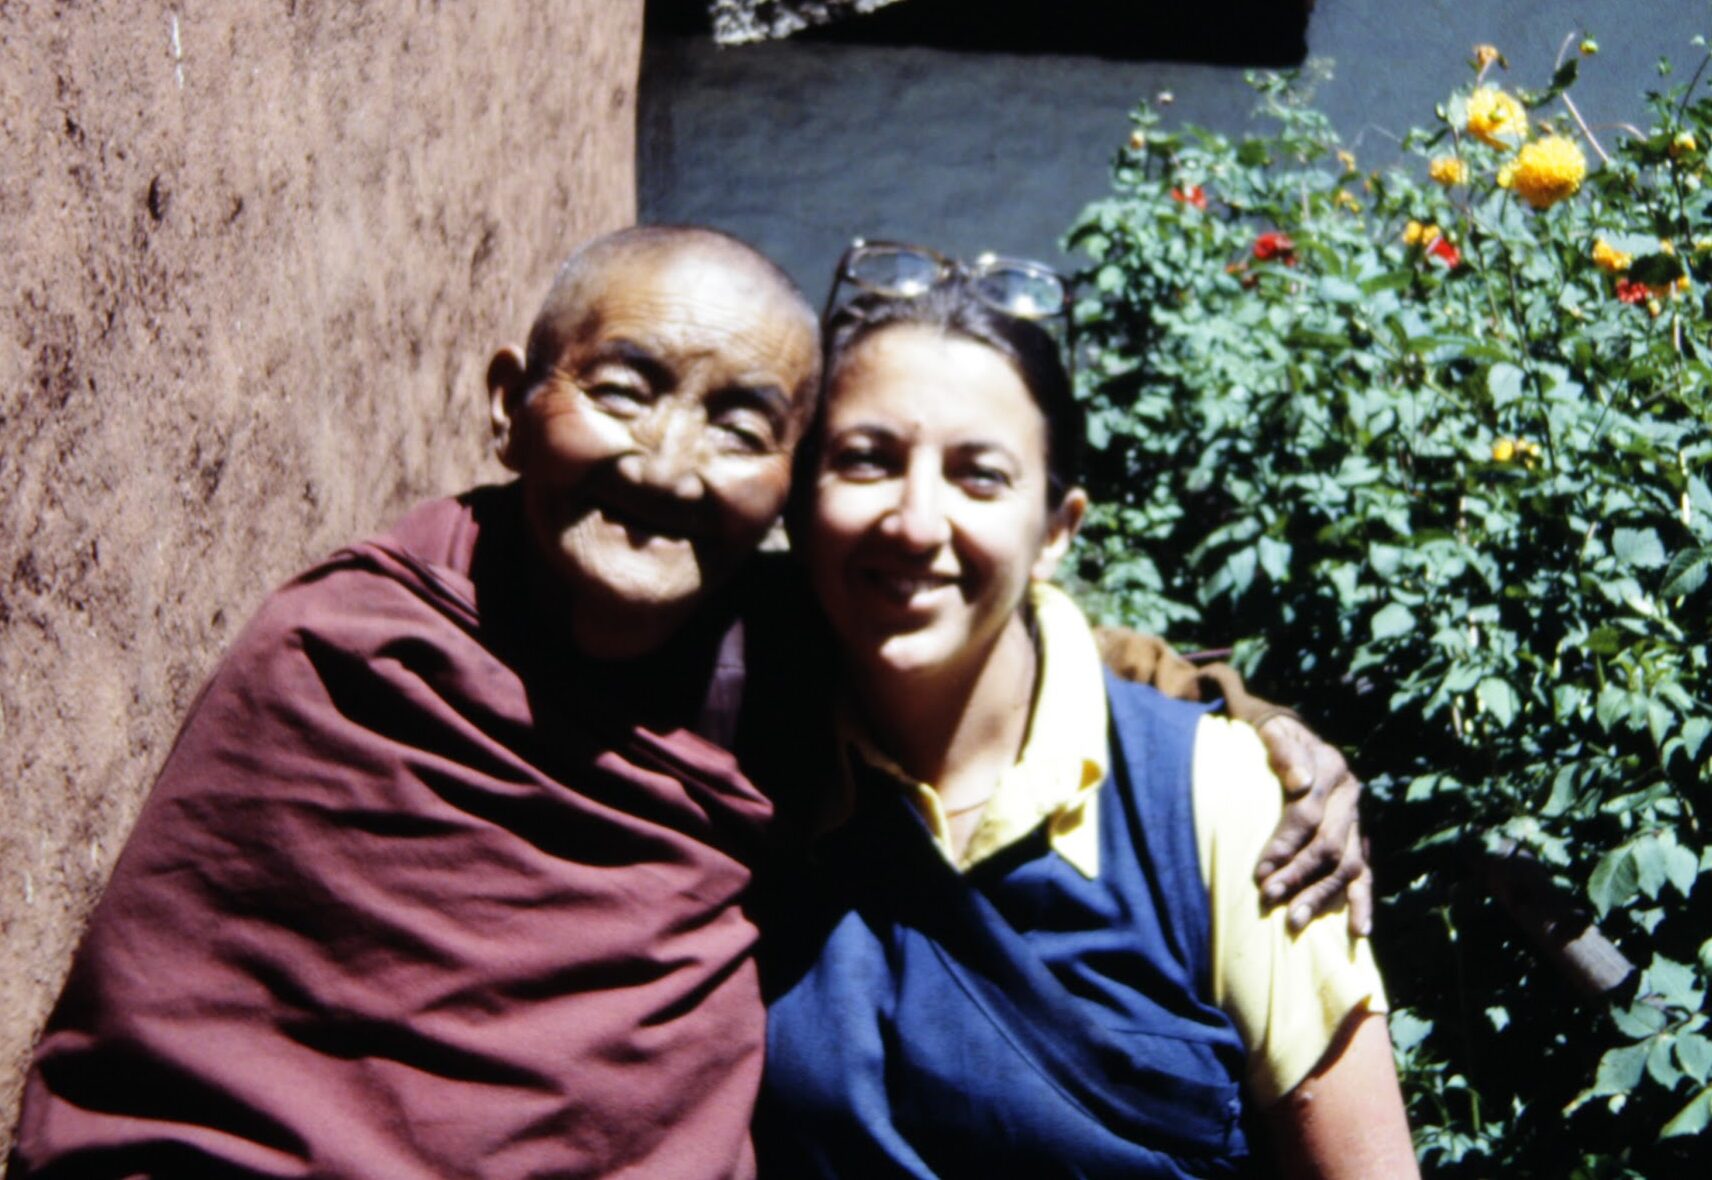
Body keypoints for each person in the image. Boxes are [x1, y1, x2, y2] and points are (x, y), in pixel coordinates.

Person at [12, 227, 1367, 1178]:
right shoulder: (358, 656)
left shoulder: (769, 659)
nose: (664, 466)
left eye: (738, 425)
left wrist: (1244, 725)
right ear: (509, 402)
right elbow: (167, 1056)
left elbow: (989, 638)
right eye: (622, 390)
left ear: (776, 487)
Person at [756, 245, 1416, 1178]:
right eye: (865, 462)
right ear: (800, 497)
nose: (913, 520)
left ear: (1057, 530)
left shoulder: (1219, 807)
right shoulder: (740, 756)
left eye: (979, 475)